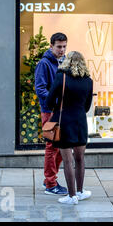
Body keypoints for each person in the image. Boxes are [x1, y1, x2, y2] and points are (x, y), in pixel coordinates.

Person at [46, 51, 93, 205]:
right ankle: (80, 192)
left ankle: (71, 196)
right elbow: (87, 106)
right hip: (80, 122)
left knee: (67, 161)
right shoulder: (88, 81)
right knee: (80, 159)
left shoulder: (62, 77)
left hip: (64, 121)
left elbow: (49, 100)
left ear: (67, 62)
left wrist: (58, 106)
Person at [35, 32, 68, 196]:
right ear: (51, 46)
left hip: (62, 111)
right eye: (59, 47)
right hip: (50, 112)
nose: (62, 50)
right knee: (52, 147)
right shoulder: (44, 63)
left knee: (61, 147)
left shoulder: (64, 62)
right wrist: (55, 102)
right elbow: (40, 89)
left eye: (64, 47)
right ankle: (50, 184)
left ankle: (50, 178)